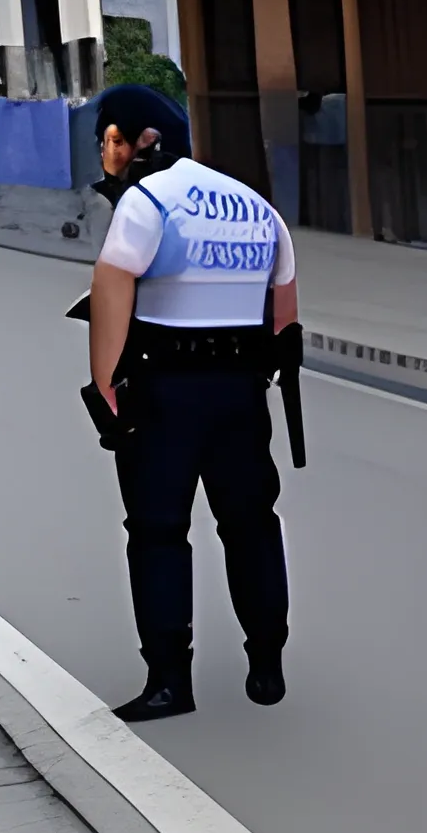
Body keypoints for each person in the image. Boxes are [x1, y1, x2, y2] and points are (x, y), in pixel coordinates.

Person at [85, 107, 298, 722]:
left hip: (163, 391)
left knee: (156, 533)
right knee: (252, 524)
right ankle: (266, 665)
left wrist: (105, 383)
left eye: (116, 140)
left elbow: (112, 288)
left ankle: (169, 682)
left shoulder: (148, 203)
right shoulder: (259, 209)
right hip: (240, 392)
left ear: (146, 142)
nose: (110, 153)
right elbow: (283, 317)